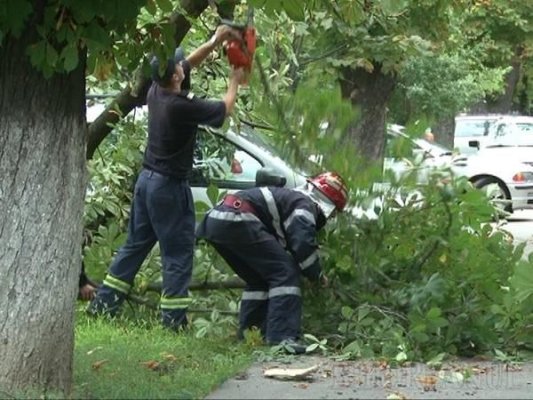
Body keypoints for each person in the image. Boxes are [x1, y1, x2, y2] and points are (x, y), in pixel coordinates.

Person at [87, 25, 246, 331]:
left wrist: (215, 41)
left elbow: (189, 64)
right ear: (175, 76)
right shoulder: (181, 107)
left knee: (134, 245)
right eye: (178, 64)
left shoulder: (156, 91)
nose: (183, 65)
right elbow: (224, 109)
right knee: (177, 252)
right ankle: (173, 322)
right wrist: (234, 81)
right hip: (169, 189)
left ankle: (103, 306)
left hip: (147, 183)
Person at [195, 172, 349, 353]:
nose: (330, 219)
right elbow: (302, 244)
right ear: (328, 206)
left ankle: (251, 335)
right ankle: (282, 340)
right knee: (285, 273)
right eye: (333, 214)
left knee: (258, 279)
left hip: (217, 220)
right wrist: (316, 274)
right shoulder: (304, 206)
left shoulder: (291, 200)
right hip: (238, 219)